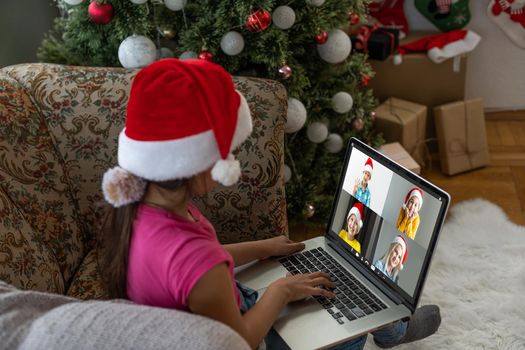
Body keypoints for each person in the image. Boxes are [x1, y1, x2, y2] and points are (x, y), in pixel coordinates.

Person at [99, 58, 440, 350]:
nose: (229, 159)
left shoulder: (141, 209)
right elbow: (241, 341)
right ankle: (391, 330)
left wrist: (265, 247)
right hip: (246, 336)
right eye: (225, 152)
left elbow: (199, 270)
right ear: (195, 162)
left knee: (319, 284)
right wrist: (279, 293)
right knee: (348, 331)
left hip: (214, 315)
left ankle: (388, 323)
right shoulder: (199, 264)